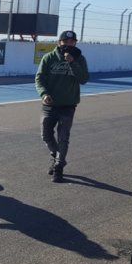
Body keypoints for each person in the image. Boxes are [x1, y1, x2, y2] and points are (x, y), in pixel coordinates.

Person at [35, 30, 89, 183]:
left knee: (63, 138)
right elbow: (39, 79)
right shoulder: (49, 58)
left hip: (68, 105)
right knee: (45, 135)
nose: (68, 44)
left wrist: (73, 62)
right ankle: (57, 156)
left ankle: (59, 167)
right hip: (49, 104)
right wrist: (44, 94)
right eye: (65, 42)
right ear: (59, 43)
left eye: (72, 42)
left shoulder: (80, 59)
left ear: (75, 43)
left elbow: (84, 79)